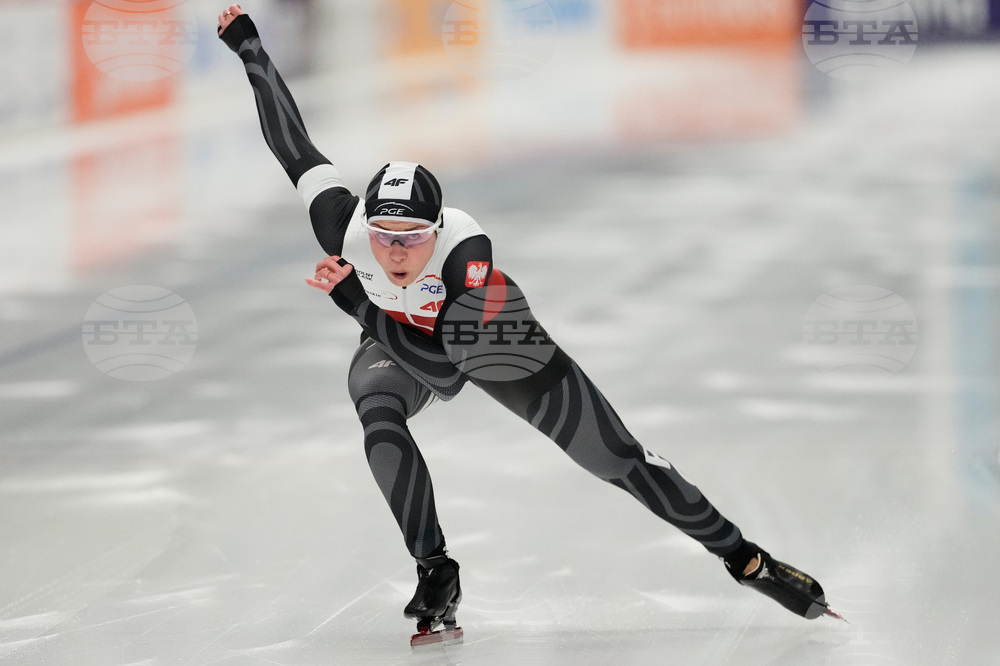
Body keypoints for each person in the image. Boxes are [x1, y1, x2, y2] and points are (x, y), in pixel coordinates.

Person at [217, 4, 840, 645]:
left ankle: (746, 559)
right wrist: (251, 50)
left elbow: (447, 373)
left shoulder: (466, 251)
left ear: (436, 232)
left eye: (411, 239)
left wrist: (358, 303)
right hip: (394, 332)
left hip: (495, 340)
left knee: (619, 460)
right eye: (382, 237)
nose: (394, 252)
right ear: (362, 226)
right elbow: (293, 146)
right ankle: (436, 569)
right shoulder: (341, 226)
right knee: (376, 407)